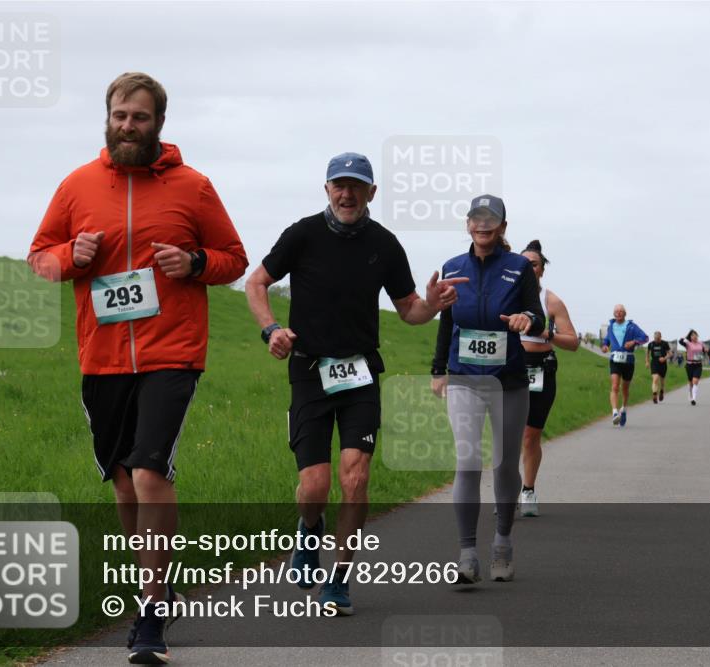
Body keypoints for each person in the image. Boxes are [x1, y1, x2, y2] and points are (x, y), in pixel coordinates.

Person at [28, 72, 249, 664]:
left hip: (172, 350)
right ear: (108, 118)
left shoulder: (193, 187)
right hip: (102, 356)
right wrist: (69, 257)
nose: (129, 126)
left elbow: (233, 259)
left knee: (149, 471)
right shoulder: (77, 185)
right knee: (123, 482)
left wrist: (195, 261)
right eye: (121, 115)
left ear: (159, 124)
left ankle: (150, 612)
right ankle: (158, 582)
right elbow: (39, 258)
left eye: (140, 117)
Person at [244, 152, 465, 616]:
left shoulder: (384, 244)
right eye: (339, 185)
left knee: (356, 476)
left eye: (356, 186)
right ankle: (309, 530)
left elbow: (409, 310)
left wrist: (432, 304)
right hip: (309, 371)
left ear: (371, 193)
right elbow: (256, 282)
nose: (347, 194)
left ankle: (339, 579)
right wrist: (271, 329)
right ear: (326, 189)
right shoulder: (302, 234)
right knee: (314, 486)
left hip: (360, 373)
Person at [431, 195, 545, 584]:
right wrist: (438, 369)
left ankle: (502, 542)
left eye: (490, 219)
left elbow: (537, 315)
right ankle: (466, 555)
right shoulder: (452, 267)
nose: (483, 224)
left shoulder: (519, 268)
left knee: (504, 464)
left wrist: (525, 319)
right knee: (466, 461)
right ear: (468, 225)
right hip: (464, 377)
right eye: (476, 218)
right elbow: (446, 322)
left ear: (502, 227)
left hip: (508, 381)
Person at [518, 240, 580, 517]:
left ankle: (528, 489)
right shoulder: (505, 295)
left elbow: (573, 342)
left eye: (533, 264)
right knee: (506, 435)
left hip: (540, 369)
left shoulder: (550, 301)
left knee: (530, 435)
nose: (528, 268)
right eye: (523, 264)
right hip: (509, 368)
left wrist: (546, 334)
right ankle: (505, 490)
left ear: (542, 269)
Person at [599, 305, 649, 426]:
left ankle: (624, 409)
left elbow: (645, 337)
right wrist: (605, 346)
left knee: (625, 388)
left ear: (625, 313)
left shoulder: (631, 326)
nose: (618, 313)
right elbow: (606, 340)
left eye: (621, 311)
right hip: (615, 359)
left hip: (628, 361)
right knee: (615, 386)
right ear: (614, 313)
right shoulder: (611, 326)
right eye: (616, 311)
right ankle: (615, 413)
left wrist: (634, 342)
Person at [678, 330, 707, 405]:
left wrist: (706, 350)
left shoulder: (701, 343)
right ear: (690, 337)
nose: (695, 336)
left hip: (698, 365)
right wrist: (686, 336)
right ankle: (690, 394)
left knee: (695, 381)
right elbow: (680, 341)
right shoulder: (688, 344)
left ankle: (694, 398)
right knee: (691, 383)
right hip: (689, 365)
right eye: (693, 335)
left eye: (696, 335)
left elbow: (704, 351)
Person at [646, 331, 671, 403]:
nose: (656, 340)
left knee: (662, 381)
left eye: (658, 338)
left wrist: (664, 358)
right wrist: (647, 362)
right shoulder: (651, 344)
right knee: (655, 379)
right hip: (654, 363)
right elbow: (647, 354)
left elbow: (670, 354)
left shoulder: (664, 343)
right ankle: (654, 394)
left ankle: (662, 391)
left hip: (663, 364)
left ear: (660, 337)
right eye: (655, 338)